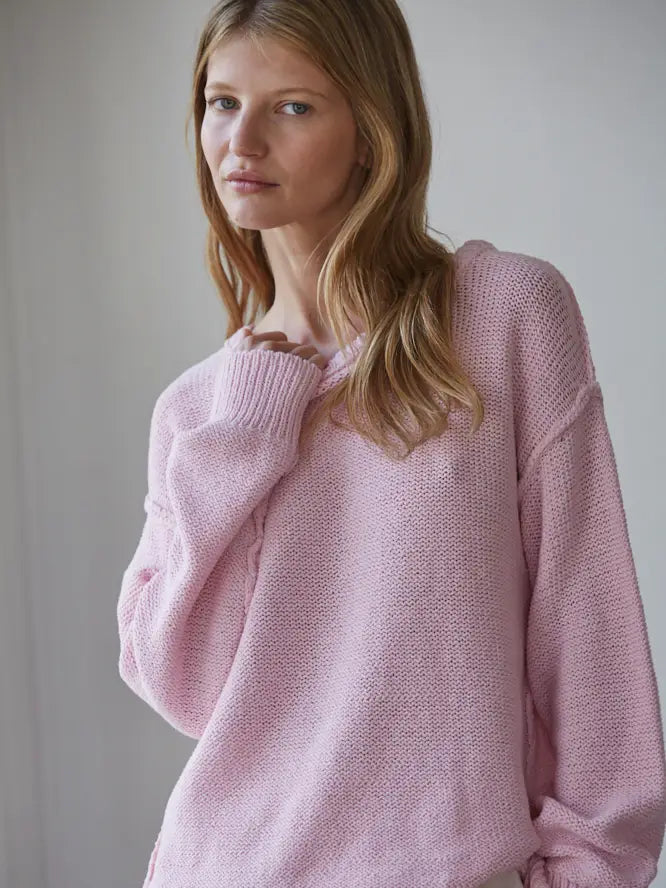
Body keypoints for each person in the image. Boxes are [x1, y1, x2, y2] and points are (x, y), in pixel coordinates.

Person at [116, 1, 666, 886]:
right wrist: (245, 437)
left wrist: (589, 872)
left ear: (372, 131)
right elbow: (183, 686)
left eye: (292, 106)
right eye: (222, 103)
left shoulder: (505, 316)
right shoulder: (198, 411)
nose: (241, 142)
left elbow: (590, 635)